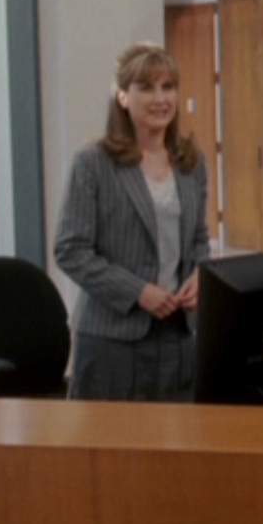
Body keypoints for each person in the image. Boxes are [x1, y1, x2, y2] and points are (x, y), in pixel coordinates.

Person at [54, 42, 210, 402]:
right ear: (123, 97)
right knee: (111, 440)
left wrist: (201, 275)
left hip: (178, 335)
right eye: (147, 88)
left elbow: (199, 239)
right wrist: (138, 292)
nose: (161, 99)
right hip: (113, 340)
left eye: (168, 87)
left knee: (177, 436)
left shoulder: (191, 162)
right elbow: (70, 250)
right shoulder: (93, 163)